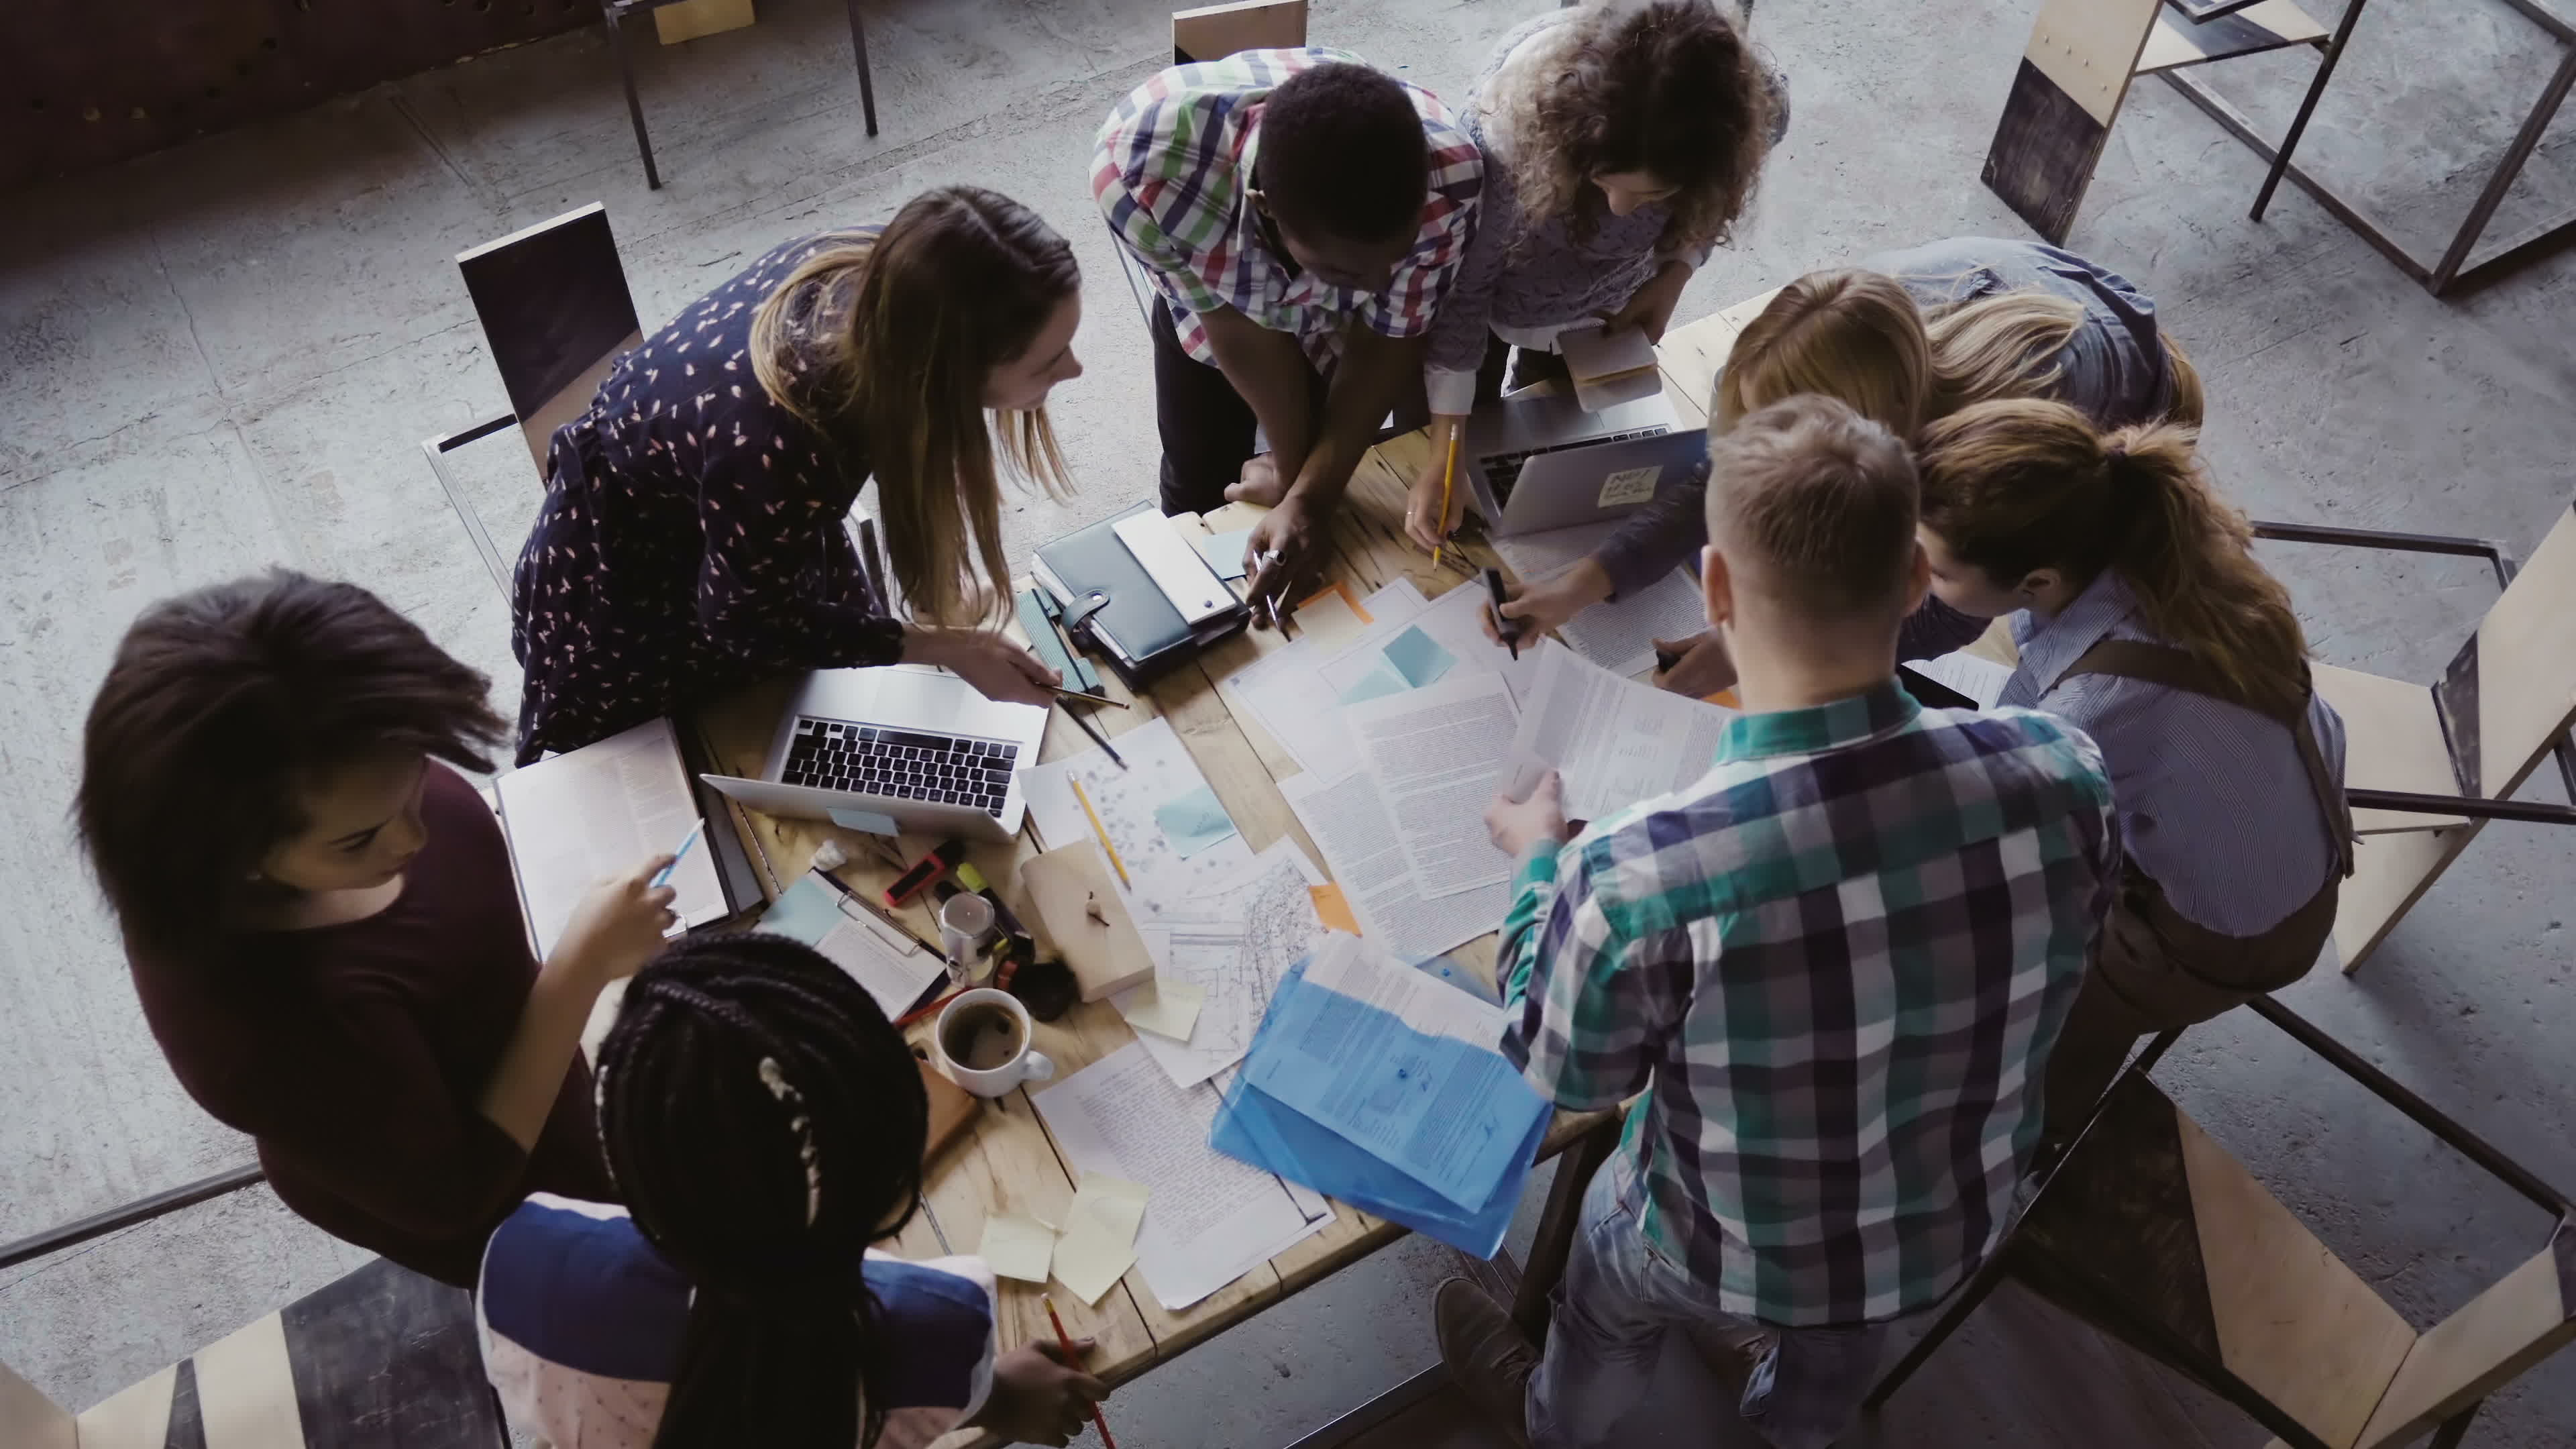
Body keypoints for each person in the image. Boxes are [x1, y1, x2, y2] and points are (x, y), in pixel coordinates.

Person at [1436, 396, 2120, 1449]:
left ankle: (1558, 1426)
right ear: (1913, 582)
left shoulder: (1638, 870)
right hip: (1938, 1228)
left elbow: (1565, 1076)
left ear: (1715, 590)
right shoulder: (2063, 769)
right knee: (1841, 1337)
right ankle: (1794, 1429)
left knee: (1608, 1299)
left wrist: (1538, 863)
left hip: (1720, 1242)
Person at [79, 572, 678, 1287]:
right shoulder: (263, 1033)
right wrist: (579, 970)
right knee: (609, 1278)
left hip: (541, 1077)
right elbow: (457, 1192)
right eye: (358, 841)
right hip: (484, 1185)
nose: (414, 839)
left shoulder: (353, 771)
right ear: (229, 856)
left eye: (417, 777)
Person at [512, 186, 1085, 764]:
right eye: (1050, 360)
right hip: (630, 586)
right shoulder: (788, 441)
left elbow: (905, 437)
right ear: (945, 372)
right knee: (690, 769)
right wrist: (952, 649)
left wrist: (942, 599)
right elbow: (745, 621)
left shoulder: (898, 281)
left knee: (814, 714)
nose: (1077, 368)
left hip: (741, 522)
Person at [1484, 237, 2204, 693]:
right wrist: (1586, 580)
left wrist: (1756, 650)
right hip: (2047, 292)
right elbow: (1727, 473)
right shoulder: (1848, 332)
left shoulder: (1978, 468)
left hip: (2127, 390)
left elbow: (1952, 604)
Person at [478, 933, 1108, 1448]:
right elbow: (963, 1397)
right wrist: (1001, 1396)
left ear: (627, 1159)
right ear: (887, 1191)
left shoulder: (518, 1261)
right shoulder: (937, 1325)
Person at [1915, 398, 2352, 1136]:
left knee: (2030, 1013)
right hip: (2295, 831)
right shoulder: (2150, 544)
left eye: (1935, 570)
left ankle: (2021, 1144)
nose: (1920, 580)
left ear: (2039, 580)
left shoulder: (2094, 703)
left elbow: (1977, 838)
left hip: (2229, 935)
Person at [1093, 47, 1483, 623]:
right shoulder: (1140, 176)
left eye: (1394, 259)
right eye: (1352, 273)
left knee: (1338, 462)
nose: (1379, 285)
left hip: (1310, 290)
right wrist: (1299, 478)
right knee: (1198, 478)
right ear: (1265, 208)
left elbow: (1388, 334)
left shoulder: (1450, 177)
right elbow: (1238, 330)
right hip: (1221, 309)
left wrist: (1307, 496)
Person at [1404, 0, 1784, 547]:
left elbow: (1719, 193)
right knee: (1467, 434)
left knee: (1552, 437)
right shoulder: (1506, 144)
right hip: (1491, 295)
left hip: (1603, 304)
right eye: (1604, 182)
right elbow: (1465, 294)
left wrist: (1672, 274)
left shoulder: (1748, 109)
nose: (1624, 209)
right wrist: (1446, 457)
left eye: (1654, 194)